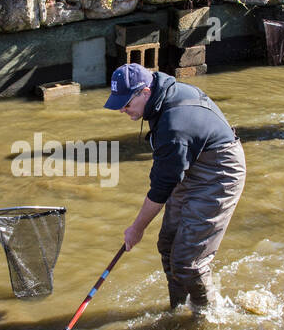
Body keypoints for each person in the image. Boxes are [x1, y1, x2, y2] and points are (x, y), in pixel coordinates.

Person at [105, 63, 246, 313]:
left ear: (145, 92)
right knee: (167, 244)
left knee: (188, 262)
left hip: (219, 173)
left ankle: (207, 317)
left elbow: (160, 189)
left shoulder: (173, 126)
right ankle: (178, 308)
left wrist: (136, 229)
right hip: (194, 162)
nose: (122, 110)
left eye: (126, 104)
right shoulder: (162, 97)